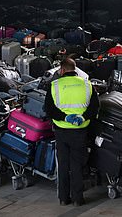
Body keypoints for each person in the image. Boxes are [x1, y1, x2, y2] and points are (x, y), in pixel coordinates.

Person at [44, 57, 99, 206]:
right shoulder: (87, 85)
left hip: (61, 130)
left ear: (61, 70)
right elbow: (95, 108)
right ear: (75, 69)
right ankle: (78, 199)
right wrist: (82, 117)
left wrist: (65, 117)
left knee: (63, 164)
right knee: (77, 164)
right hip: (80, 131)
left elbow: (49, 109)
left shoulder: (54, 85)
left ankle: (63, 198)